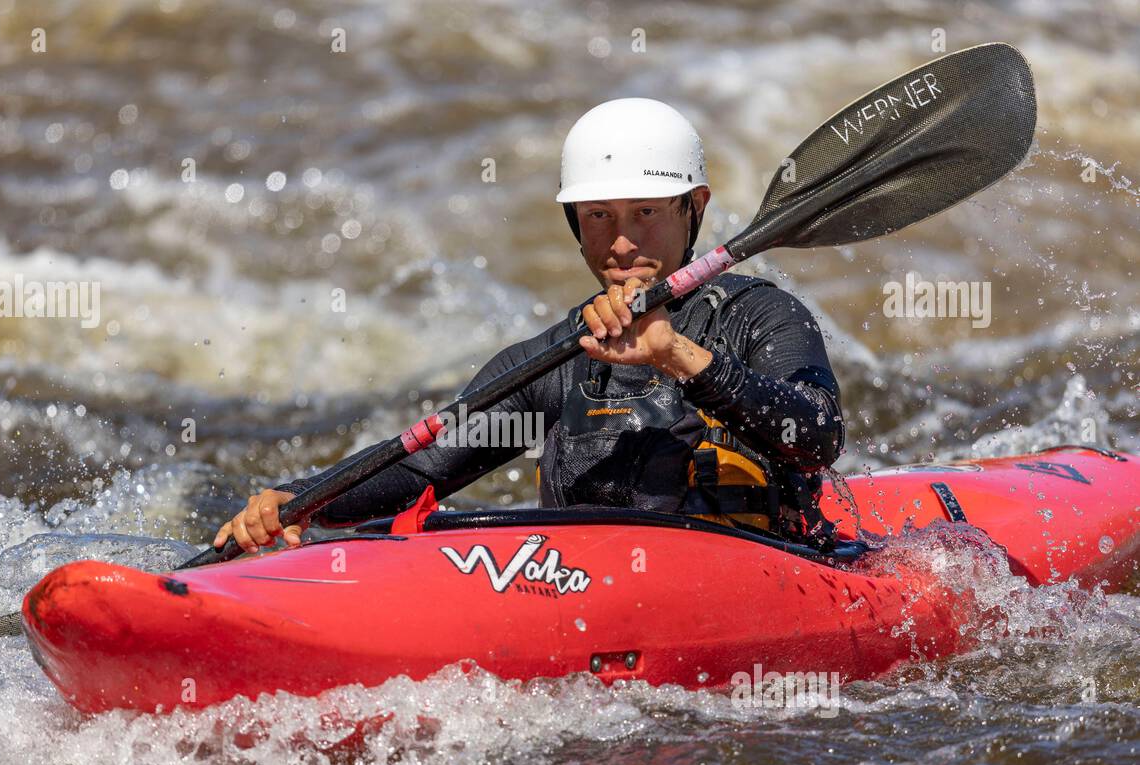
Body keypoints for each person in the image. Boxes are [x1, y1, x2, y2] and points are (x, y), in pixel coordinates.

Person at [214, 98, 844, 553]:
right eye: (598, 215)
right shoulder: (562, 357)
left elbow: (817, 437)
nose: (622, 243)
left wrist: (675, 353)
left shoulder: (761, 314)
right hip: (585, 596)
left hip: (757, 574)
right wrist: (299, 500)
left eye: (646, 212)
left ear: (694, 207)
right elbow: (422, 469)